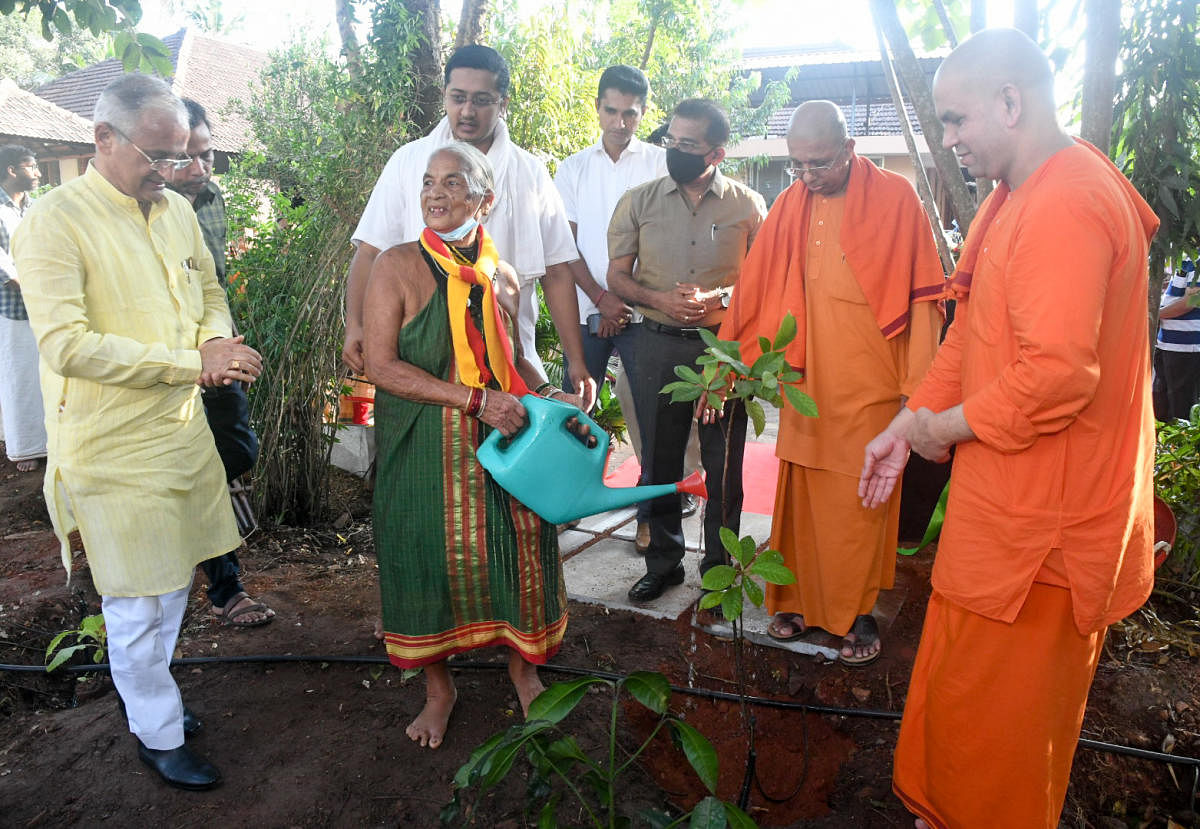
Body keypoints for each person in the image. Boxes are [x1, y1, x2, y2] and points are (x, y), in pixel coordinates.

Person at [858, 29, 1158, 828]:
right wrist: (908, 421)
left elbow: (1060, 374)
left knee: (1003, 746)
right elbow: (972, 329)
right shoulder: (1015, 194)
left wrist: (945, 428)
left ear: (1011, 103)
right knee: (960, 711)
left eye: (954, 120)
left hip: (1045, 540)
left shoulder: (1065, 200)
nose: (948, 138)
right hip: (1005, 517)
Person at [13, 73, 264, 791]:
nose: (173, 171)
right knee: (133, 597)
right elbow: (67, 346)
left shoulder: (177, 211)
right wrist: (193, 362)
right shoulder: (54, 222)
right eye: (158, 155)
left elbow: (208, 290)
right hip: (110, 445)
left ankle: (152, 694)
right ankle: (155, 728)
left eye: (181, 156)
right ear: (104, 140)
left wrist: (217, 343)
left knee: (174, 579)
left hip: (182, 435)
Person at [363, 143, 588, 750]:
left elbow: (515, 360)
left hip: (503, 444)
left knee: (522, 546)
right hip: (421, 444)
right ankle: (440, 691)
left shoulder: (503, 275)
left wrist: (552, 394)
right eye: (429, 183)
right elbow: (381, 366)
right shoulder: (396, 266)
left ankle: (524, 671)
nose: (435, 195)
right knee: (420, 554)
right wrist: (471, 401)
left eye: (452, 183)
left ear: (485, 199)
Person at [718, 101, 944, 664]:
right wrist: (731, 360)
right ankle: (793, 599)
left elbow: (923, 295)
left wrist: (920, 390)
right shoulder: (793, 201)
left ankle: (856, 611)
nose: (807, 176)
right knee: (801, 491)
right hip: (808, 373)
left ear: (849, 149)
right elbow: (758, 285)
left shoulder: (897, 198)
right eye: (797, 165)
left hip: (870, 377)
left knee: (859, 495)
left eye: (818, 163)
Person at [345, 44, 595, 410]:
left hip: (510, 363)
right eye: (458, 97)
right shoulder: (407, 161)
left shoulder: (530, 173)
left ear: (503, 102)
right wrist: (356, 325)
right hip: (419, 368)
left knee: (505, 460)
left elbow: (557, 272)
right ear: (444, 95)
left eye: (481, 100)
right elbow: (370, 251)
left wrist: (575, 360)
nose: (467, 111)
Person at [607, 99, 766, 602]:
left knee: (723, 466)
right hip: (655, 345)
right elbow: (616, 277)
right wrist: (658, 300)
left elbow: (766, 283)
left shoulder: (748, 206)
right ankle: (664, 563)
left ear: (716, 153)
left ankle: (720, 573)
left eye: (688, 145)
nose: (675, 151)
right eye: (671, 141)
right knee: (658, 463)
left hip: (722, 353)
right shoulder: (639, 201)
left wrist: (719, 299)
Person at [553, 65, 697, 549]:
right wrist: (600, 298)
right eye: (611, 111)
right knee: (577, 409)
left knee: (654, 419)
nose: (619, 121)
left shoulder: (660, 164)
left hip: (647, 315)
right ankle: (569, 503)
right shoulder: (572, 169)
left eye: (630, 113)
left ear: (642, 114)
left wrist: (629, 299)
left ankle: (650, 515)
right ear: (597, 108)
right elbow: (564, 246)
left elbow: (669, 241)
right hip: (587, 307)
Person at [168, 97, 274, 628]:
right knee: (197, 466)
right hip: (159, 365)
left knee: (234, 450)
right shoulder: (146, 206)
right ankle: (225, 588)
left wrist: (218, 341)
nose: (198, 168)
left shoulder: (211, 197)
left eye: (205, 155)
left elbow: (213, 282)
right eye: (185, 158)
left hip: (218, 352)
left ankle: (199, 550)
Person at [0, 144, 47, 473]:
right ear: (12, 170)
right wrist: (27, 284)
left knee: (44, 373)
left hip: (43, 303)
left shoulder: (35, 208)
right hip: (12, 307)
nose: (39, 174)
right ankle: (22, 447)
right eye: (32, 167)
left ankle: (46, 441)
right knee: (19, 377)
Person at [1155, 256, 1200, 420]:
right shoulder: (1186, 257)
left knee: (1181, 408)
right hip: (1167, 342)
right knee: (1163, 402)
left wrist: (1155, 314)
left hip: (1186, 346)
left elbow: (1194, 301)